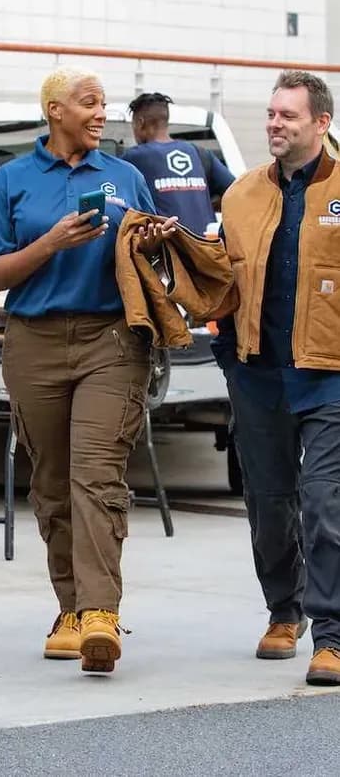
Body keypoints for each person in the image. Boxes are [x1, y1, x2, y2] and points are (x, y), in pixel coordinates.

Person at [0, 65, 171, 675]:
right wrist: (49, 245)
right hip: (33, 340)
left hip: (110, 339)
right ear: (54, 110)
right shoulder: (11, 180)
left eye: (105, 104)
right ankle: (70, 609)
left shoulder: (125, 176)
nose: (101, 113)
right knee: (52, 483)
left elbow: (155, 256)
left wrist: (156, 242)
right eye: (88, 103)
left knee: (97, 474)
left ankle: (101, 613)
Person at [212, 70, 340, 686]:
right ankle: (283, 611)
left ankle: (333, 635)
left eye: (287, 115)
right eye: (270, 113)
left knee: (324, 504)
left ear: (321, 123)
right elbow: (218, 279)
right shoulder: (240, 195)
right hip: (257, 371)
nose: (274, 124)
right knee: (268, 504)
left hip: (330, 374)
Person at [123, 92, 235, 235]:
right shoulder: (200, 153)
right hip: (206, 249)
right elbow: (237, 191)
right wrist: (204, 204)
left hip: (168, 251)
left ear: (140, 122)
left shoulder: (135, 157)